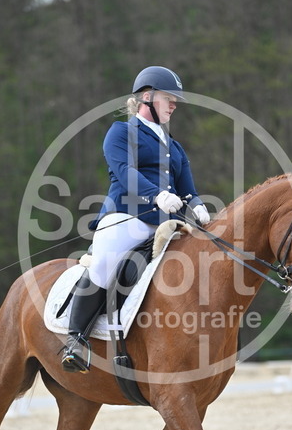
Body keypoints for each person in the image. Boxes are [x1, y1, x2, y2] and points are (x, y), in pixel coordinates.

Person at [62, 66, 210, 373]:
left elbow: (188, 190)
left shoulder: (174, 146)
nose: (174, 105)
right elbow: (125, 172)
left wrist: (198, 207)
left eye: (175, 100)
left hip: (167, 225)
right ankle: (75, 340)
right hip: (126, 217)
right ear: (147, 96)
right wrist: (157, 195)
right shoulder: (121, 132)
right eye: (168, 98)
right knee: (105, 262)